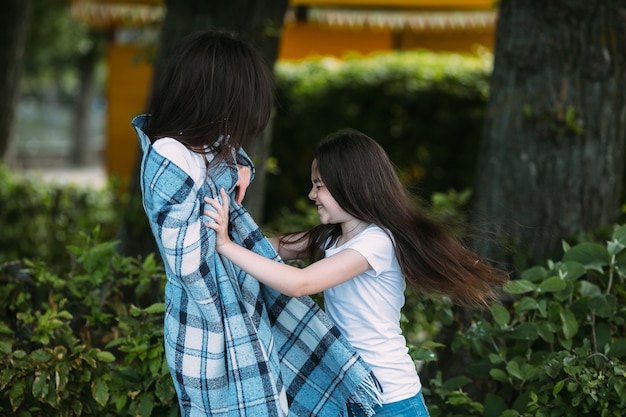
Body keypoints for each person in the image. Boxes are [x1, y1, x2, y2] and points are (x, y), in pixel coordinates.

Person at [132, 31, 382, 417]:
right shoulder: (170, 155)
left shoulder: (201, 151)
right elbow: (189, 263)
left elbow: (231, 167)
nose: (243, 122)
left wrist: (238, 171)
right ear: (216, 98)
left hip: (237, 316)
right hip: (210, 326)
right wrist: (226, 227)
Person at [204, 128, 509, 417]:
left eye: (319, 185)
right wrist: (226, 217)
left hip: (390, 400)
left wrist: (226, 245)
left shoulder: (376, 242)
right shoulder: (331, 237)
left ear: (350, 185)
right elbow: (267, 249)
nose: (312, 194)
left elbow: (300, 283)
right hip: (352, 391)